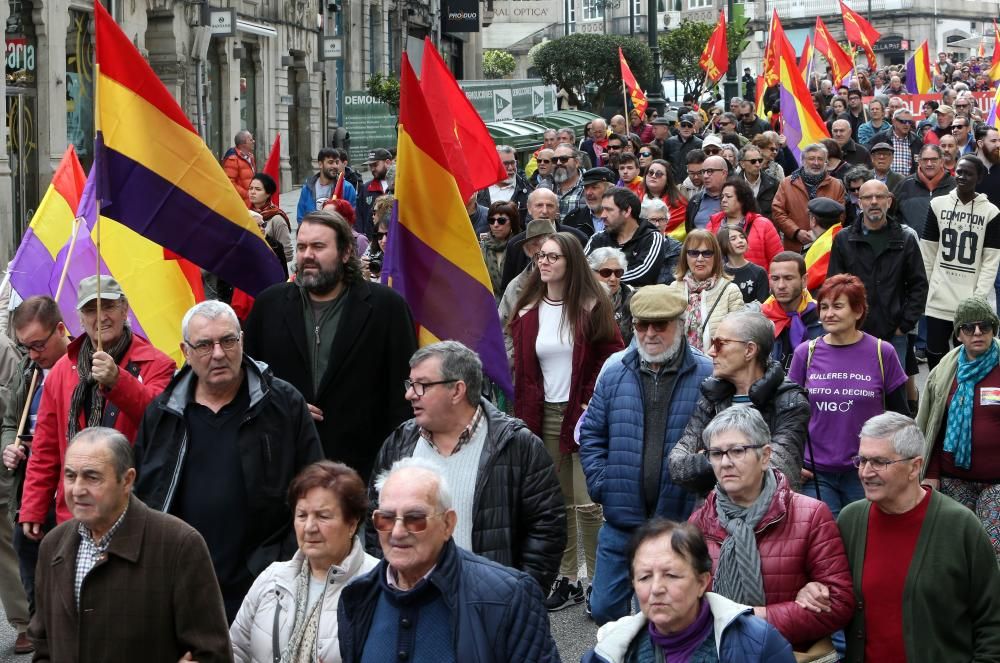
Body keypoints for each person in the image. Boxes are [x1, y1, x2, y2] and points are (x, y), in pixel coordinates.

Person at [134, 301, 324, 620]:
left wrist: (285, 561)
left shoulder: (282, 404)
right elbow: (143, 498)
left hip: (267, 584)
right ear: (185, 351)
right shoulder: (163, 414)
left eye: (228, 340)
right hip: (185, 586)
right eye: (205, 345)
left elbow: (317, 487)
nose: (219, 353)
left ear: (242, 340)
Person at [366, 341, 565, 591]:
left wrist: (520, 596)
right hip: (411, 607)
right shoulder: (398, 445)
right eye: (410, 384)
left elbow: (547, 530)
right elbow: (375, 524)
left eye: (422, 385)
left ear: (457, 390)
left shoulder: (518, 446)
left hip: (492, 608)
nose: (409, 394)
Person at [27, 427, 232, 662]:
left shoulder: (179, 545)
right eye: (71, 476)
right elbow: (43, 646)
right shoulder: (53, 545)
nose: (77, 490)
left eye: (92, 477)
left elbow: (212, 653)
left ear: (127, 480)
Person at [244, 210, 417, 480]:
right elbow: (248, 380)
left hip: (362, 471)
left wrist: (395, 470)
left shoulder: (387, 308)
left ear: (346, 252)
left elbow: (403, 395)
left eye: (318, 246)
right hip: (285, 470)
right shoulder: (269, 306)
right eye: (301, 247)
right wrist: (285, 407)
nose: (307, 255)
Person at [579, 284, 714, 624]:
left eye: (660, 325)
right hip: (622, 517)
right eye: (642, 325)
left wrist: (700, 491)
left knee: (662, 616)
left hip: (678, 521)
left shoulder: (708, 374)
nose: (650, 333)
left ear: (680, 325)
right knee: (605, 608)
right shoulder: (614, 372)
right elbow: (592, 433)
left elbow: (722, 441)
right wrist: (602, 483)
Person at [337, 459, 560, 662]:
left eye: (415, 518)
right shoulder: (358, 597)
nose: (396, 532)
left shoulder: (509, 598)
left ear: (447, 524)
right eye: (385, 518)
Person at [510, 232, 623, 610]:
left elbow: (612, 358)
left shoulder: (593, 305)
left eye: (553, 257)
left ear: (570, 262)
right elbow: (524, 373)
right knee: (556, 503)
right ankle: (568, 578)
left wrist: (592, 401)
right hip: (544, 416)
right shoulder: (527, 311)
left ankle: (598, 580)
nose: (544, 262)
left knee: (588, 502)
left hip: (585, 414)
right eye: (541, 256)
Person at [688, 407, 853, 655]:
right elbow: (685, 601)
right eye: (716, 453)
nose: (725, 462)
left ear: (765, 456)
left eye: (737, 451)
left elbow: (839, 604)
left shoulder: (810, 515)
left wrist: (753, 619)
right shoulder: (699, 523)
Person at [19, 276, 176, 535]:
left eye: (109, 306)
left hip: (134, 514)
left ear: (125, 310)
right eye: (91, 310)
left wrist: (119, 381)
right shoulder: (60, 371)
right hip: (74, 515)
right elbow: (45, 448)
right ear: (80, 318)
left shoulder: (157, 364)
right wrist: (33, 508)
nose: (100, 317)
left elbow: (161, 423)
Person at [838, 412, 1000, 662]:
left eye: (879, 462)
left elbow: (992, 621)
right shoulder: (850, 521)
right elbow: (833, 595)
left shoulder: (960, 526)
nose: (866, 472)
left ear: (914, 467)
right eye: (862, 460)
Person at [581, 519, 795, 663]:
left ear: (702, 582)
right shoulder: (611, 651)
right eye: (644, 577)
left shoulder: (757, 643)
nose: (656, 588)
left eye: (671, 575)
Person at [230, 461, 378, 662]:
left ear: (352, 524)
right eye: (301, 515)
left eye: (322, 516)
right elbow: (235, 650)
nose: (309, 527)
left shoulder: (377, 585)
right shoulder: (272, 579)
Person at [789, 274, 909, 516]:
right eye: (823, 307)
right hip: (816, 472)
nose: (828, 314)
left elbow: (901, 417)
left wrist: (897, 466)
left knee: (864, 541)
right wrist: (792, 460)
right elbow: (788, 414)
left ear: (858, 311)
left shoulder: (882, 352)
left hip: (868, 471)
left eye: (837, 306)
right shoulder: (805, 353)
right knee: (827, 544)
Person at [670, 310, 810, 493]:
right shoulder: (712, 396)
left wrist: (707, 456)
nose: (711, 352)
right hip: (714, 516)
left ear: (749, 350)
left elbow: (778, 472)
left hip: (771, 517)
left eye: (720, 343)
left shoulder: (790, 401)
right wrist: (745, 457)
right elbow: (677, 465)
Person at [2, 297, 69, 651]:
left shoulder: (80, 368)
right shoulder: (27, 372)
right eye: (24, 346)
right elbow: (10, 423)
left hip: (64, 485)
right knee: (26, 551)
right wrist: (8, 447)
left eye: (38, 345)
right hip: (28, 482)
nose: (32, 354)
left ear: (61, 329)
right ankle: (39, 632)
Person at [917, 297, 1000, 557]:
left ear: (994, 330)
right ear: (958, 334)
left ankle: (990, 599)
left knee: (990, 551)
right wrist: (929, 472)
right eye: (969, 327)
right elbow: (932, 425)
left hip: (997, 482)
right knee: (953, 551)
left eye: (985, 326)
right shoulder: (944, 371)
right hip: (953, 479)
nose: (977, 332)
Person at [827, 179, 929, 368]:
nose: (874, 202)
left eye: (879, 196)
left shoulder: (905, 239)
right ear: (859, 203)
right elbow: (834, 285)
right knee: (856, 391)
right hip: (853, 331)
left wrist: (905, 325)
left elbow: (919, 285)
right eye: (867, 197)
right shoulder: (844, 239)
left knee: (892, 393)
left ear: (889, 202)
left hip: (894, 334)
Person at [921, 155, 1000, 369]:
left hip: (969, 302)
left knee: (968, 362)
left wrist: (977, 299)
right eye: (959, 171)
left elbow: (991, 260)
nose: (962, 176)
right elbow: (928, 251)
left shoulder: (991, 212)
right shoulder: (937, 204)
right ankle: (940, 401)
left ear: (979, 177)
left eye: (968, 173)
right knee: (936, 358)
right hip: (938, 299)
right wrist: (929, 287)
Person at [672, 229, 745, 352]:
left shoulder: (731, 291)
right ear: (685, 256)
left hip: (715, 364)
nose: (700, 259)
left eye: (707, 253)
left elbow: (738, 337)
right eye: (694, 253)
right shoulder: (674, 288)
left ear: (716, 257)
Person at [585, 187, 668, 287]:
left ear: (627, 211)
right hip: (597, 297)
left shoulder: (652, 238)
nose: (603, 215)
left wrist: (603, 278)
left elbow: (643, 274)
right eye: (603, 209)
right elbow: (582, 267)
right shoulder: (598, 238)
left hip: (634, 299)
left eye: (609, 210)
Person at [773, 144, 846, 252]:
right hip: (795, 246)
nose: (816, 163)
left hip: (826, 247)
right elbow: (777, 212)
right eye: (811, 159)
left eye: (820, 159)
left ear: (826, 162)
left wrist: (820, 233)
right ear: (802, 161)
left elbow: (841, 215)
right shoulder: (787, 183)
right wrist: (796, 232)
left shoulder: (836, 185)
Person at [707, 177, 782, 272]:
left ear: (742, 199)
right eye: (722, 197)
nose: (723, 200)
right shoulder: (713, 224)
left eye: (728, 196)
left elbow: (777, 260)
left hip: (756, 283)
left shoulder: (763, 225)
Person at [891, 144, 955, 238]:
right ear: (919, 162)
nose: (929, 164)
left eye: (933, 160)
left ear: (941, 161)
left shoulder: (954, 186)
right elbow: (891, 216)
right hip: (911, 248)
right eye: (925, 160)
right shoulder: (904, 185)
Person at [297, 147, 359, 224]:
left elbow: (352, 217)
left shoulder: (347, 188)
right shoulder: (307, 188)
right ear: (320, 164)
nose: (335, 166)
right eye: (330, 162)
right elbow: (300, 217)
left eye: (336, 162)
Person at [247, 173, 292, 276]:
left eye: (258, 189)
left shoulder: (277, 219)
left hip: (271, 273)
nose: (252, 192)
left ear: (268, 193)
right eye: (250, 188)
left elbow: (287, 253)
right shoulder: (246, 214)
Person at [588, 247, 636, 345]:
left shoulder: (632, 296)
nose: (613, 278)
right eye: (606, 272)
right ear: (591, 272)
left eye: (618, 273)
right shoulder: (579, 299)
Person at [477, 146, 533, 224]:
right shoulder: (477, 190)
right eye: (505, 164)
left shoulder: (527, 191)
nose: (510, 168)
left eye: (513, 163)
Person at [480, 200, 522, 300]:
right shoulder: (482, 247)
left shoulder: (521, 246)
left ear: (512, 222)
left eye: (501, 221)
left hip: (515, 302)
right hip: (488, 304)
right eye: (491, 220)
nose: (495, 225)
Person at [719, 224, 768, 304]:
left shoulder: (759, 272)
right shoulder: (719, 273)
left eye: (742, 237)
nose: (740, 241)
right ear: (723, 244)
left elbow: (764, 304)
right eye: (733, 238)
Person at [640, 159, 687, 241]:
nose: (653, 176)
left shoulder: (679, 203)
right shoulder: (636, 197)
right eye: (651, 172)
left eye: (658, 174)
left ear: (667, 179)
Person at [869, 108, 922, 175]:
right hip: (885, 182)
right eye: (903, 121)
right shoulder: (879, 138)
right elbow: (869, 160)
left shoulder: (916, 141)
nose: (907, 124)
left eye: (909, 122)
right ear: (894, 121)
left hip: (908, 182)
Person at [684, 155, 730, 232]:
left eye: (710, 171)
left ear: (724, 173)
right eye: (703, 172)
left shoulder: (737, 197)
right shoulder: (695, 200)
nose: (705, 176)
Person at [737, 145, 779, 218]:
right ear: (742, 164)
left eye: (760, 160)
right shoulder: (734, 185)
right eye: (753, 161)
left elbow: (778, 211)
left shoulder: (773, 184)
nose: (757, 164)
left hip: (766, 227)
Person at [663, 114, 703, 184]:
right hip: (673, 183)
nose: (686, 128)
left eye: (689, 126)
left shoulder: (700, 143)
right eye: (683, 125)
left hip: (692, 183)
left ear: (693, 127)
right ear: (678, 126)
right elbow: (665, 163)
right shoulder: (669, 142)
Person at [222, 130, 256, 202]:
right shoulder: (232, 159)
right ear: (243, 144)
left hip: (250, 202)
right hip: (241, 204)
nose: (253, 141)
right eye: (250, 140)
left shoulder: (250, 157)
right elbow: (230, 183)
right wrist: (247, 194)